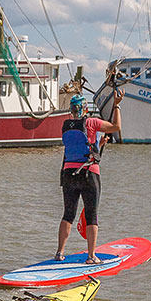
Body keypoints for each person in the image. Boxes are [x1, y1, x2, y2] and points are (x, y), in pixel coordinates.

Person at [57, 89, 122, 263]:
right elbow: (116, 127)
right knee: (91, 215)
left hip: (69, 174)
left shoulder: (65, 125)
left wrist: (98, 145)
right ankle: (91, 256)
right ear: (85, 108)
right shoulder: (91, 122)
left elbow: (79, 147)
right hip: (88, 174)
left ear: (71, 109)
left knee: (68, 214)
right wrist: (116, 105)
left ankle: (60, 252)